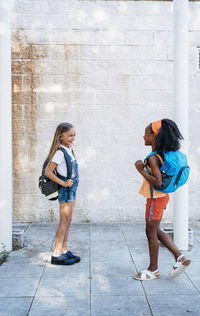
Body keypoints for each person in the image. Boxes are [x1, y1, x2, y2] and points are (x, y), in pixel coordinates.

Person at [133, 119, 191, 280]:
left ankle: (153, 269)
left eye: (146, 133)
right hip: (161, 198)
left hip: (155, 199)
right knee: (156, 230)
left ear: (154, 135)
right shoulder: (164, 155)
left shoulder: (154, 158)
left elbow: (157, 182)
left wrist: (140, 170)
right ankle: (180, 257)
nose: (143, 136)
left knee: (150, 232)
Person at [45, 122, 80, 265]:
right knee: (63, 222)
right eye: (70, 135)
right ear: (61, 137)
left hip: (72, 189)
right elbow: (48, 172)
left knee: (68, 221)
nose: (73, 138)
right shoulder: (60, 152)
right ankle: (56, 254)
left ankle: (64, 250)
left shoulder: (69, 149)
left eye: (74, 135)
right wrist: (63, 183)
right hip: (66, 190)